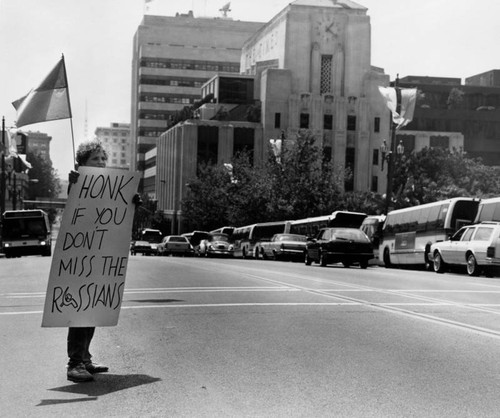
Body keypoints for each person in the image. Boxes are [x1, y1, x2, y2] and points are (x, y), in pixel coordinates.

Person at [65, 138, 141, 383]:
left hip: (100, 256)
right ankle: (74, 363)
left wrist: (132, 202)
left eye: (102, 158)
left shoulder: (113, 186)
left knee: (93, 308)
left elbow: (115, 217)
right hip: (80, 256)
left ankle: (85, 358)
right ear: (82, 163)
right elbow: (74, 208)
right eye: (94, 159)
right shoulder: (78, 182)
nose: (100, 162)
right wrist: (73, 183)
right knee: (79, 310)